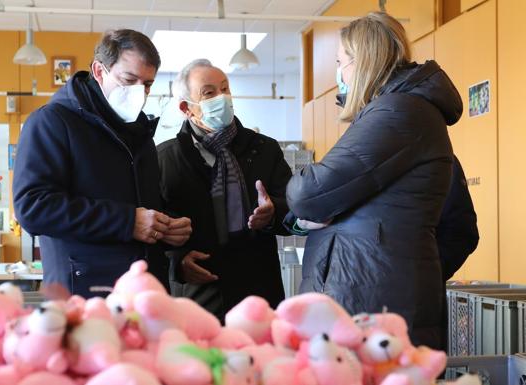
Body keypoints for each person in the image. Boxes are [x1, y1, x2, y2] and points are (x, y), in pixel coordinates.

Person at [286, 12, 462, 348]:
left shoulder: (397, 113)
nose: (338, 74)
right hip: (377, 300)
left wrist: (398, 268)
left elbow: (307, 194)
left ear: (360, 61)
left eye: (340, 62)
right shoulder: (402, 113)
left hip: (373, 305)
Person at [13, 29, 192, 298]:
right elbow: (32, 207)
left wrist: (167, 227)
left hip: (143, 290)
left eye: (147, 84)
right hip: (84, 291)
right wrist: (127, 221)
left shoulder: (139, 131)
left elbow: (140, 203)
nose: (139, 92)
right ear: (99, 71)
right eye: (129, 79)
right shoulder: (52, 122)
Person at [157, 59, 292, 320]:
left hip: (258, 293)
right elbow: (152, 229)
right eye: (209, 93)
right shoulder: (165, 159)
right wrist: (177, 262)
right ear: (187, 108)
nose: (222, 97)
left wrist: (274, 213)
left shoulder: (264, 149)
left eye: (225, 89)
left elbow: (294, 212)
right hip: (196, 299)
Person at [437, 154, 479, 351]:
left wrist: (426, 273)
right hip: (350, 309)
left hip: (417, 309)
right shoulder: (350, 156)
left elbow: (461, 233)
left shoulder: (439, 158)